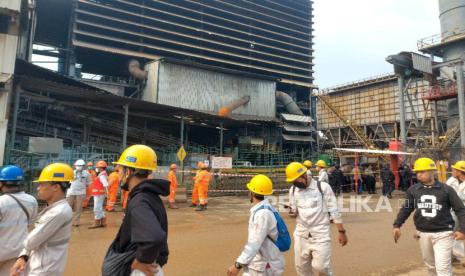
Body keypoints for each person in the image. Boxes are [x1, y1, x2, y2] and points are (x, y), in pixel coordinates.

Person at [102, 144, 169, 276]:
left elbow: (154, 236)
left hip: (142, 270)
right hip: (150, 267)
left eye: (120, 170)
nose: (118, 174)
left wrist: (142, 260)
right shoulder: (150, 196)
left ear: (129, 172)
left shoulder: (140, 200)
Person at [393, 157, 465, 276]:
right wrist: (397, 225)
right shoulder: (413, 190)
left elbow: (460, 210)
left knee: (443, 269)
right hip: (423, 233)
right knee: (431, 267)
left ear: (432, 172)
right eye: (417, 172)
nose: (419, 175)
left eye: (422, 172)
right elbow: (406, 208)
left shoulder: (446, 190)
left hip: (444, 233)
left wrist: (463, 230)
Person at [10, 163, 73, 276]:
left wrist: (22, 252)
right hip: (42, 262)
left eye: (42, 184)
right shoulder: (54, 208)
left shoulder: (58, 212)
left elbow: (31, 241)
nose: (38, 188)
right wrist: (24, 256)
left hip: (44, 268)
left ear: (56, 187)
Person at [286, 162, 348, 275]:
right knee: (301, 268)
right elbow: (294, 211)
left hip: (320, 234)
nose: (295, 184)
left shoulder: (323, 188)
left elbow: (334, 210)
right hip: (301, 235)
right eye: (292, 182)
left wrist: (341, 232)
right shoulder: (293, 190)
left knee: (321, 267)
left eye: (296, 180)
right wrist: (291, 212)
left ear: (304, 175)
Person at [227, 174, 285, 276]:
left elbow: (254, 244)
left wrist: (237, 265)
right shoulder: (266, 208)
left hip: (263, 267)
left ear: (252, 193)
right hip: (264, 263)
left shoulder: (261, 214)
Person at [0, 165, 38, 275]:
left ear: (2, 183)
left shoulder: (1, 202)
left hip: (2, 253)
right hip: (21, 252)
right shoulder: (32, 200)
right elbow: (31, 224)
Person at [446, 161, 465, 263]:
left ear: (460, 172)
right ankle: (452, 256)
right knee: (451, 233)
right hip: (454, 212)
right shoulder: (451, 181)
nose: (452, 171)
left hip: (462, 212)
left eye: (454, 170)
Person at [67, 159, 92, 226]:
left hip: (81, 192)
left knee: (79, 207)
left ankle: (76, 221)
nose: (79, 167)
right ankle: (67, 221)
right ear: (75, 166)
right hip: (71, 191)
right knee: (68, 206)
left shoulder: (87, 174)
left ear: (83, 166)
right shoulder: (71, 172)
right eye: (78, 165)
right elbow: (67, 182)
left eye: (81, 166)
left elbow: (88, 183)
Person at [89, 160, 109, 229]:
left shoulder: (102, 175)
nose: (96, 168)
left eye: (97, 167)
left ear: (100, 168)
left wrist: (107, 193)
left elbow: (105, 184)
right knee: (99, 208)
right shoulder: (103, 174)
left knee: (96, 208)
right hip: (99, 193)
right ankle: (103, 222)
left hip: (99, 194)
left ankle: (97, 222)